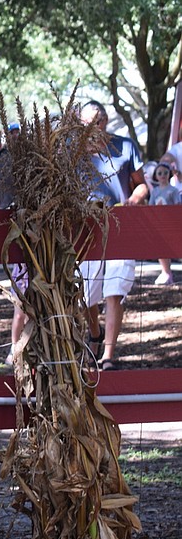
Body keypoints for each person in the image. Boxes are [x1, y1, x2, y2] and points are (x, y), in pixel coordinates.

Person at [79, 101, 149, 370]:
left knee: (114, 291)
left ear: (104, 122)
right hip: (87, 231)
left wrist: (133, 200)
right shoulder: (73, 152)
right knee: (86, 295)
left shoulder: (126, 146)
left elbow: (142, 185)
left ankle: (108, 354)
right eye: (81, 125)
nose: (85, 130)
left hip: (121, 227)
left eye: (91, 124)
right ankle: (94, 333)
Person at [148, 156, 179, 285]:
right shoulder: (154, 191)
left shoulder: (174, 190)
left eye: (165, 173)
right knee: (161, 248)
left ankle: (168, 272)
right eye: (159, 173)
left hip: (171, 223)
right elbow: (150, 206)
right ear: (155, 175)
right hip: (158, 224)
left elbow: (177, 205)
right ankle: (165, 271)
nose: (163, 175)